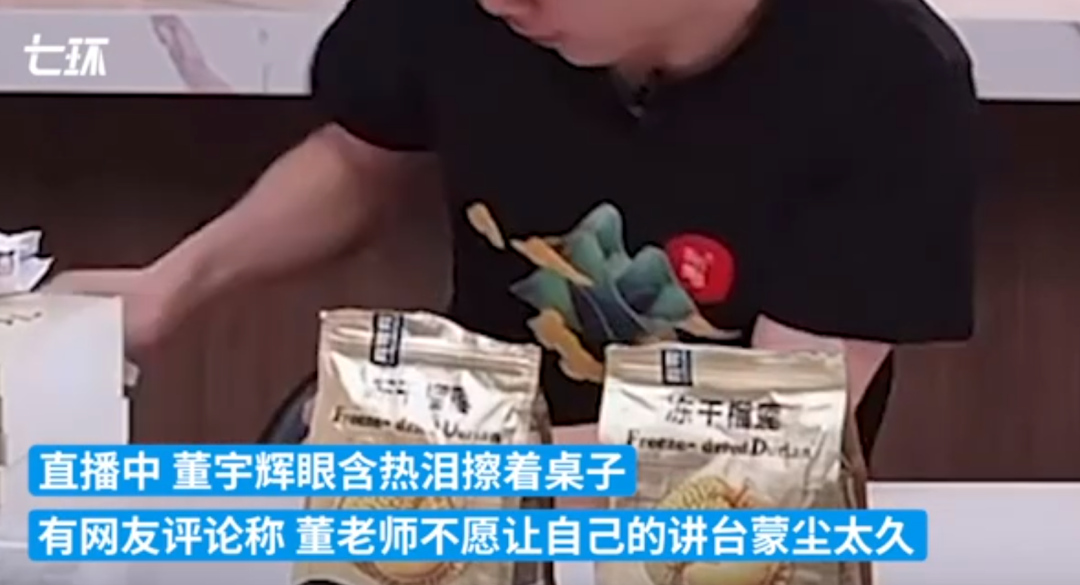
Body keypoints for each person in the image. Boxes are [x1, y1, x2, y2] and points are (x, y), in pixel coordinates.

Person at [49, 0, 980, 482]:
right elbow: (364, 154)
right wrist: (177, 282)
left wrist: (468, 472)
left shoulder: (888, 75)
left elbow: (773, 428)